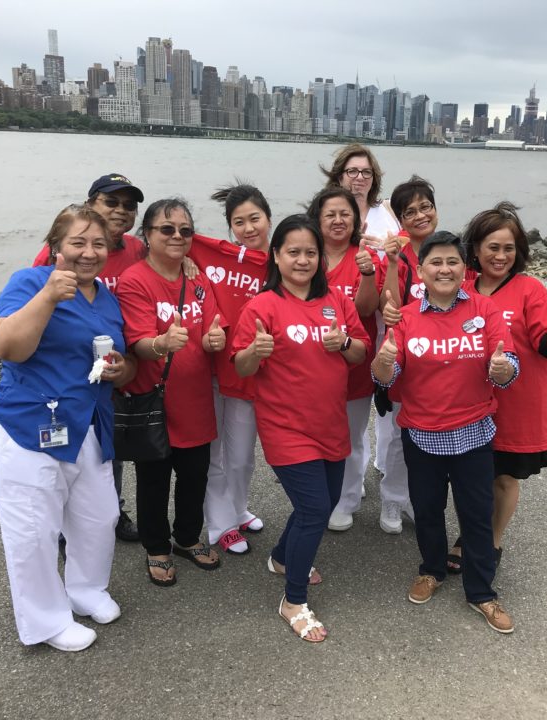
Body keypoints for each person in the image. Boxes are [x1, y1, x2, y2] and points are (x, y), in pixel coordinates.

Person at [0, 204, 135, 652]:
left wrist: (120, 368)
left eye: (99, 244)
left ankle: (86, 589)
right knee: (34, 531)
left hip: (88, 427)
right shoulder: (30, 283)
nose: (89, 252)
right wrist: (49, 296)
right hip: (29, 427)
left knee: (99, 517)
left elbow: (124, 365)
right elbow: (7, 347)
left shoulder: (106, 297)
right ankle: (46, 622)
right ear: (55, 247)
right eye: (78, 242)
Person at [372, 230, 519, 634]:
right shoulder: (405, 317)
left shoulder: (485, 309)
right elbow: (386, 377)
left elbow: (508, 367)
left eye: (452, 261)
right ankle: (431, 570)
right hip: (422, 435)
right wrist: (384, 361)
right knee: (427, 510)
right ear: (421, 271)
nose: (444, 269)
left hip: (474, 434)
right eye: (435, 262)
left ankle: (482, 591)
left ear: (463, 268)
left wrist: (502, 368)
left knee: (476, 515)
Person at [231, 214, 370, 642]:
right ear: (276, 255)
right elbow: (241, 366)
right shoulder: (261, 306)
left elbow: (361, 352)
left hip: (330, 422)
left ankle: (281, 558)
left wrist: (344, 343)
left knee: (325, 503)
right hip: (285, 427)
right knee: (313, 510)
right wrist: (256, 351)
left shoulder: (336, 301)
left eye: (311, 252)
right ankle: (293, 601)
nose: (303, 260)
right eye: (293, 252)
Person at [446, 202, 547, 574]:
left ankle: (491, 541)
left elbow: (545, 343)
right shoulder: (462, 286)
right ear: (475, 248)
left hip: (515, 402)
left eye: (509, 248)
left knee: (503, 477)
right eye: (493, 247)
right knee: (470, 477)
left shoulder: (529, 290)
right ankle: (470, 533)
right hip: (468, 401)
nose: (501, 256)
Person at [116, 198, 226, 586]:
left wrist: (214, 339)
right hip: (155, 400)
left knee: (195, 475)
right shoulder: (134, 280)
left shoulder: (197, 279)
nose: (177, 236)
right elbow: (138, 344)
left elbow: (211, 331)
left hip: (195, 398)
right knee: (154, 479)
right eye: (166, 229)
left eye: (185, 230)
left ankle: (187, 538)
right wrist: (161, 343)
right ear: (147, 235)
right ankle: (157, 546)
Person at [32, 172, 146, 542]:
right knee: (64, 451)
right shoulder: (59, 254)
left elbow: (165, 264)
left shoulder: (136, 249)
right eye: (111, 202)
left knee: (108, 450)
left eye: (129, 205)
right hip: (67, 372)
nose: (121, 210)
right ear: (90, 204)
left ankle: (112, 511)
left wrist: (189, 264)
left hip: (117, 362)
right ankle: (63, 528)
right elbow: (36, 300)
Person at [189, 183, 272, 555]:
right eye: (239, 222)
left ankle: (237, 509)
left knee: (242, 454)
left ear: (268, 217)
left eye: (255, 218)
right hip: (212, 366)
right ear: (230, 227)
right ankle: (220, 524)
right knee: (216, 452)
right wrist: (188, 260)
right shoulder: (213, 257)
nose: (248, 228)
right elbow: (168, 245)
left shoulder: (281, 262)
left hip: (250, 371)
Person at [307, 187, 383, 532]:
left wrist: (367, 273)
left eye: (345, 214)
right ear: (317, 219)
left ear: (356, 220)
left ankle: (347, 500)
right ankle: (318, 495)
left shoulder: (365, 257)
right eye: (330, 214)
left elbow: (366, 309)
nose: (338, 220)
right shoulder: (308, 256)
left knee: (351, 437)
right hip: (310, 367)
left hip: (354, 363)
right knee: (315, 434)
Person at [373, 175, 444, 534]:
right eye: (410, 211)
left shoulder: (447, 251)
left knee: (432, 435)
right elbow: (389, 306)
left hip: (444, 359)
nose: (420, 215)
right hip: (407, 358)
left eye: (425, 207)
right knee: (400, 435)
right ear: (400, 219)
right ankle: (392, 498)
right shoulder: (399, 256)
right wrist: (389, 263)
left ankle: (416, 499)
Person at [321, 143, 400, 240]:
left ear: (374, 179)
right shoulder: (325, 217)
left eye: (366, 172)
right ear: (339, 177)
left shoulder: (392, 209)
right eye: (352, 171)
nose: (360, 177)